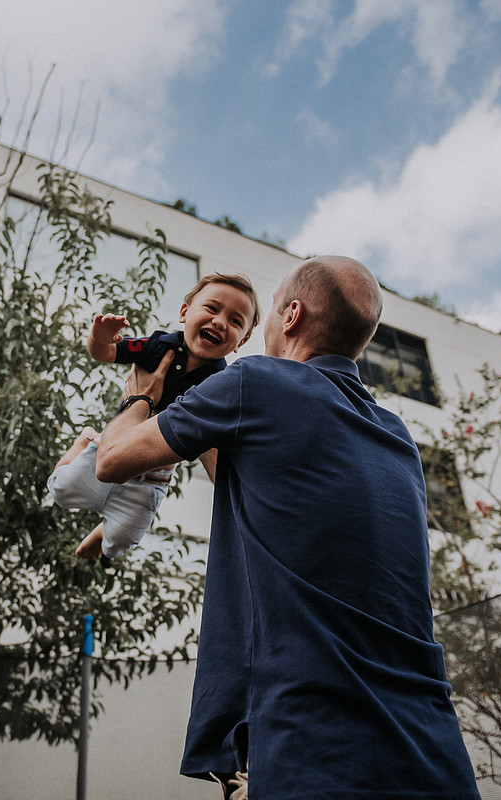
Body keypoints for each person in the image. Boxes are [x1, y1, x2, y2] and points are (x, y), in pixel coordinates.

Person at [95, 256, 481, 799]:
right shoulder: (397, 437)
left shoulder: (256, 382)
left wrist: (142, 391)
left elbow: (110, 460)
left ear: (292, 314)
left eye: (272, 310)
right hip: (430, 750)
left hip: (311, 744)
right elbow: (236, 473)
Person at [47, 273, 260, 560]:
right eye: (211, 308)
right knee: (61, 490)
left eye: (235, 321)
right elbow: (106, 352)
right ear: (185, 312)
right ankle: (84, 441)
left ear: (242, 340)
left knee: (121, 541)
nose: (220, 322)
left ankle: (102, 533)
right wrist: (99, 337)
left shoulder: (223, 383)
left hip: (154, 476)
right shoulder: (159, 346)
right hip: (112, 447)